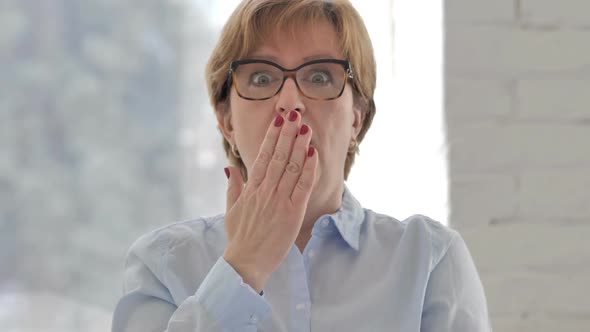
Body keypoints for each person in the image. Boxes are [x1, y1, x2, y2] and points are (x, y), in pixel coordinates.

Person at [111, 0, 492, 331]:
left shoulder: (429, 260)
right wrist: (243, 266)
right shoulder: (162, 263)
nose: (289, 102)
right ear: (226, 121)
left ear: (357, 117)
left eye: (320, 76)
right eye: (262, 78)